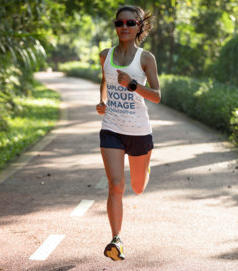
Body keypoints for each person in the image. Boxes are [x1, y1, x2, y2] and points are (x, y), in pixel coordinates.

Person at [95, 5, 161, 261]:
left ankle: (145, 167)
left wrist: (132, 84)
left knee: (138, 186)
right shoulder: (105, 55)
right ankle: (116, 239)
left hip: (139, 131)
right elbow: (105, 80)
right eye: (119, 23)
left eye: (130, 23)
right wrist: (102, 102)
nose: (124, 27)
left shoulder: (146, 58)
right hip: (111, 128)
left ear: (139, 27)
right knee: (116, 185)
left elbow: (156, 96)